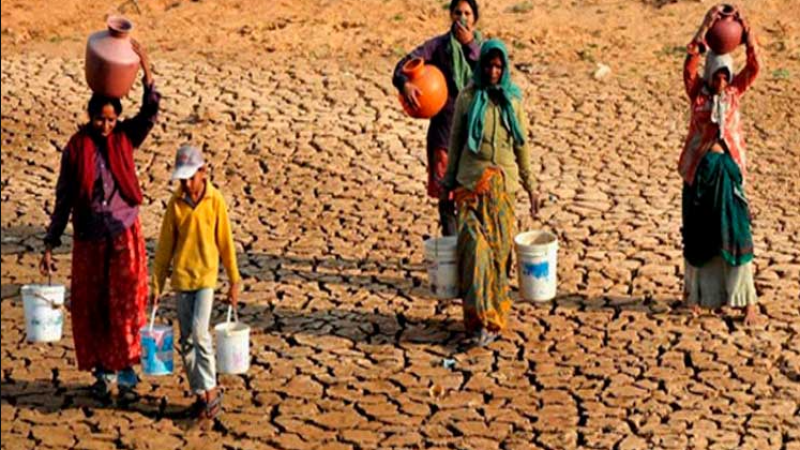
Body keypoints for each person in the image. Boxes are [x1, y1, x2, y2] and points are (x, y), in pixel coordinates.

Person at [39, 40, 159, 404]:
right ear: (89, 117)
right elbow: (64, 198)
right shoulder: (76, 148)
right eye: (99, 119)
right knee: (93, 307)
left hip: (124, 234)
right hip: (90, 238)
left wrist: (147, 71)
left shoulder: (125, 137)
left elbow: (149, 115)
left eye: (111, 119)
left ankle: (126, 377)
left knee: (125, 306)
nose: (105, 125)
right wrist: (50, 241)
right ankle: (101, 376)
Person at [442, 39, 539, 346]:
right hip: (470, 185)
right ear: (481, 65)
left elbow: (521, 147)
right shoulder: (469, 99)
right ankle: (477, 321)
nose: (494, 71)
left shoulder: (513, 101)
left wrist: (531, 188)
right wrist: (446, 185)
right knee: (474, 250)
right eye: (489, 65)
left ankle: (493, 319)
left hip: (503, 188)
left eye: (499, 66)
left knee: (498, 257)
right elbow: (456, 142)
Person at [679, 5, 761, 325]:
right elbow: (689, 63)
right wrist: (704, 29)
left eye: (726, 75)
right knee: (699, 236)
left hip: (727, 174)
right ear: (711, 72)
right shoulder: (697, 93)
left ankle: (747, 303)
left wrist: (746, 30)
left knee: (736, 232)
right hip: (700, 175)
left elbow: (754, 67)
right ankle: (697, 298)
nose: (722, 81)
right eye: (718, 75)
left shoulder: (736, 93)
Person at [151, 145, 241, 424]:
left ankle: (212, 393)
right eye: (182, 179)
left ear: (204, 172)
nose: (187, 184)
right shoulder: (175, 205)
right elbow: (165, 248)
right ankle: (200, 395)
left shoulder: (215, 201)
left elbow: (226, 243)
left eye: (191, 177)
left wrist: (234, 280)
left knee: (200, 333)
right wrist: (157, 286)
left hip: (205, 280)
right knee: (186, 340)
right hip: (182, 280)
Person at [393, 0, 482, 236]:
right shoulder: (438, 47)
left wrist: (470, 45)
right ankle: (452, 256)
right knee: (446, 200)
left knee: (472, 200)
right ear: (450, 16)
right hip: (443, 137)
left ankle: (470, 254)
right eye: (457, 13)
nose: (462, 18)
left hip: (473, 139)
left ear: (474, 19)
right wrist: (406, 85)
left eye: (467, 13)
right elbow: (401, 67)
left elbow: (493, 75)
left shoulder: (483, 50)